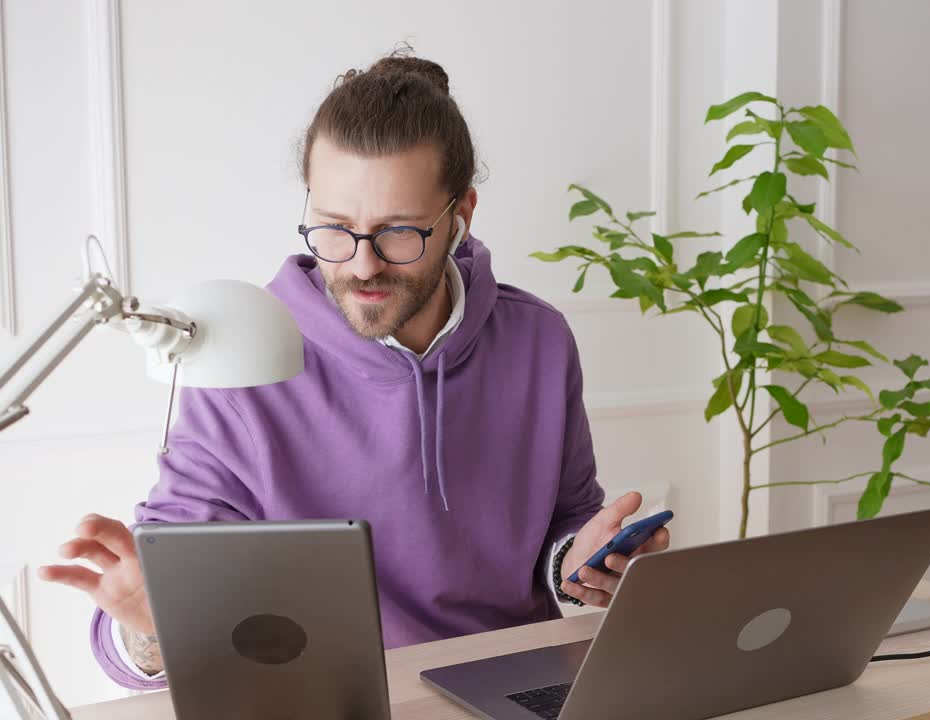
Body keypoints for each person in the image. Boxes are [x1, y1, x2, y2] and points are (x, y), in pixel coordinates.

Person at [35, 49, 669, 690]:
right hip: (336, 696)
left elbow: (565, 527)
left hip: (517, 683)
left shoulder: (539, 339)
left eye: (398, 231)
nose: (362, 264)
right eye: (335, 227)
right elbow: (153, 598)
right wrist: (152, 627)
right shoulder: (243, 357)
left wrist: (587, 560)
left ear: (461, 215)